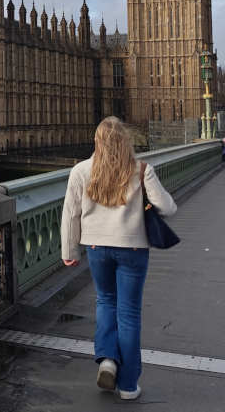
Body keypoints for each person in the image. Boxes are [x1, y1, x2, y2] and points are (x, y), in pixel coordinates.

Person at [61, 116, 177, 401]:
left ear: (96, 141)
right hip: (133, 248)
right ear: (126, 141)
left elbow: (70, 213)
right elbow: (168, 208)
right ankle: (127, 385)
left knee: (105, 301)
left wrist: (69, 251)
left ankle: (108, 359)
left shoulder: (81, 170)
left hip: (96, 247)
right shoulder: (140, 169)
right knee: (129, 314)